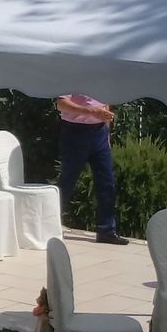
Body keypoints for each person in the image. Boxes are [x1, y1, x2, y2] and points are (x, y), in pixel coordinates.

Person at [56, 94, 126, 245]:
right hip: (75, 132)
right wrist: (90, 112)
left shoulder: (101, 78)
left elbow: (104, 105)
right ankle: (49, 225)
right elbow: (62, 104)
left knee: (107, 183)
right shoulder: (73, 74)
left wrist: (107, 130)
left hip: (99, 132)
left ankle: (106, 231)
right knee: (67, 181)